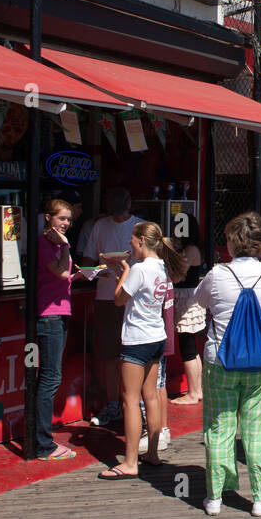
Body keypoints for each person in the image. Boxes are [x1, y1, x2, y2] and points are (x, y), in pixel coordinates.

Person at [196, 212, 261, 517]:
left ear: (232, 242)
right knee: (257, 430)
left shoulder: (217, 274)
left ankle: (215, 496)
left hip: (220, 360)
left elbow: (201, 300)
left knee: (219, 427)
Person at [98, 221, 186, 479]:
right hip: (157, 335)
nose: (129, 245)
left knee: (130, 399)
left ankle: (130, 461)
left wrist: (124, 271)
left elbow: (118, 299)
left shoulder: (140, 269)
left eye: (132, 240)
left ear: (141, 242)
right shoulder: (161, 266)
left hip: (137, 338)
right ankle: (153, 453)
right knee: (151, 396)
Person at [83, 188, 144, 429]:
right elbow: (89, 260)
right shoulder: (100, 226)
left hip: (133, 298)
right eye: (114, 214)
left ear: (130, 203)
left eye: (122, 213)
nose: (117, 219)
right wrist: (90, 271)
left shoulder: (141, 227)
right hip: (106, 296)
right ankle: (113, 404)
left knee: (135, 356)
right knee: (109, 355)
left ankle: (135, 405)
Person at [36, 199, 80, 460]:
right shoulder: (46, 244)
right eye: (61, 218)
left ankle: (42, 440)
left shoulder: (57, 244)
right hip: (49, 315)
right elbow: (61, 273)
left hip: (59, 311)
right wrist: (65, 247)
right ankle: (43, 444)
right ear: (48, 218)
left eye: (68, 219)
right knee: (50, 378)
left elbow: (65, 276)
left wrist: (84, 275)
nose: (65, 223)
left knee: (51, 376)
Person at [171, 216, 207, 405]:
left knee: (188, 347)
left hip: (187, 300)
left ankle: (193, 392)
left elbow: (178, 276)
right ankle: (196, 389)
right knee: (190, 347)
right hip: (188, 298)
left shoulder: (190, 249)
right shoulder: (192, 248)